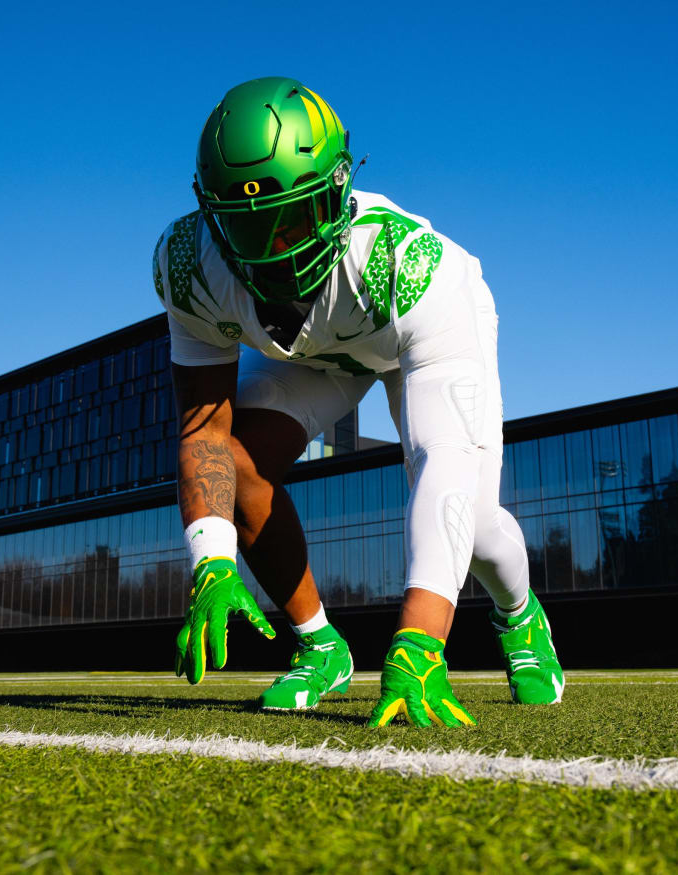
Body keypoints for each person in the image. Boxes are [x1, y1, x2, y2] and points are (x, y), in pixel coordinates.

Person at [153, 76, 564, 727]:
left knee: (476, 520)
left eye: (290, 219)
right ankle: (321, 645)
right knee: (242, 465)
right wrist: (210, 559)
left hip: (405, 337)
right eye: (247, 227)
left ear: (340, 188)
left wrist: (422, 637)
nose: (274, 252)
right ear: (210, 213)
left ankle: (520, 615)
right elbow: (205, 431)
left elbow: (443, 459)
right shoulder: (190, 264)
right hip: (315, 356)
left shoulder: (414, 265)